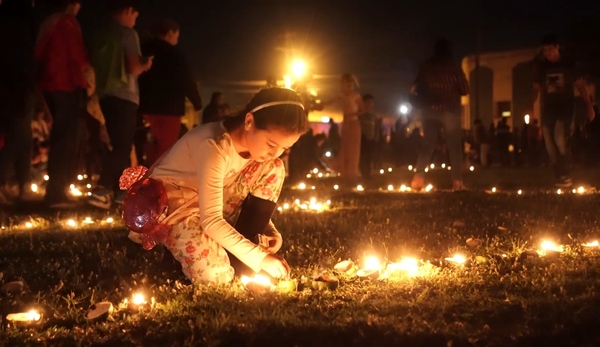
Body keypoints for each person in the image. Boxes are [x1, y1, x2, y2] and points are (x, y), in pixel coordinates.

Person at [134, 88, 307, 284]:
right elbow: (212, 220)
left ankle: (242, 252)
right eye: (271, 144)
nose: (275, 153)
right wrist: (260, 258)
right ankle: (176, 255)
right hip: (176, 212)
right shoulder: (214, 147)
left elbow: (240, 196)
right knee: (217, 277)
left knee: (275, 168)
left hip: (208, 204)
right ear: (249, 121)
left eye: (284, 148)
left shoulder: (256, 152)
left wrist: (269, 231)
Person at [88, 0, 153, 209]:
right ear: (127, 11)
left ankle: (119, 193)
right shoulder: (127, 33)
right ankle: (101, 189)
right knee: (122, 145)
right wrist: (147, 63)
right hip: (125, 95)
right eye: (134, 15)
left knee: (119, 144)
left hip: (106, 93)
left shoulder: (101, 33)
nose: (135, 20)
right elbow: (134, 67)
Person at [35, 0, 90, 207]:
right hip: (67, 83)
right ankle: (57, 192)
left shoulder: (48, 23)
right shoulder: (67, 23)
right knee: (65, 139)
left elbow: (39, 52)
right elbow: (78, 56)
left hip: (50, 85)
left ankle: (57, 190)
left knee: (60, 137)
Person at [532, 34, 595, 187]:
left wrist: (589, 106)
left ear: (557, 47)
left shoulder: (568, 63)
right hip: (548, 109)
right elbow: (536, 89)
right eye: (545, 50)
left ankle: (566, 173)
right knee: (549, 143)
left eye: (550, 49)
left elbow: (580, 85)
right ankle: (559, 175)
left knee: (560, 137)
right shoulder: (542, 67)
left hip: (565, 108)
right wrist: (531, 108)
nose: (547, 53)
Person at [139, 18, 202, 166]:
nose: (176, 41)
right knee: (166, 147)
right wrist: (196, 102)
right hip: (168, 107)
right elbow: (186, 79)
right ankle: (158, 180)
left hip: (143, 104)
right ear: (169, 33)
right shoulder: (175, 55)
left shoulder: (142, 49)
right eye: (176, 36)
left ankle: (143, 175)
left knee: (145, 143)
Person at [410, 38, 469, 191]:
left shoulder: (426, 66)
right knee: (454, 146)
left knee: (427, 145)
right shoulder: (453, 67)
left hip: (428, 110)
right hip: (450, 110)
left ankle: (418, 178)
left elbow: (414, 87)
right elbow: (464, 89)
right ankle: (457, 181)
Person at [0, 0, 37, 204]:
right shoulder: (20, 24)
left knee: (22, 136)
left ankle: (24, 185)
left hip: (13, 85)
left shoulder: (10, 21)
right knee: (18, 136)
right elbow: (23, 58)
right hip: (17, 85)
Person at [323, 74, 365, 181]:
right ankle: (345, 173)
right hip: (346, 124)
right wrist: (318, 105)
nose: (345, 85)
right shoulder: (341, 95)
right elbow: (330, 102)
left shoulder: (355, 96)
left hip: (354, 124)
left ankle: (352, 173)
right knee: (345, 148)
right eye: (344, 83)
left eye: (348, 83)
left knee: (353, 149)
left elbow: (363, 109)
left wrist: (353, 115)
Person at [358, 94, 377, 178]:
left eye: (371, 102)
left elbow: (376, 127)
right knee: (363, 156)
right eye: (368, 102)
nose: (370, 104)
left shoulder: (373, 115)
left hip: (371, 139)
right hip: (362, 138)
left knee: (369, 156)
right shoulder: (360, 114)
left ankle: (367, 173)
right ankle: (363, 172)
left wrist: (376, 137)